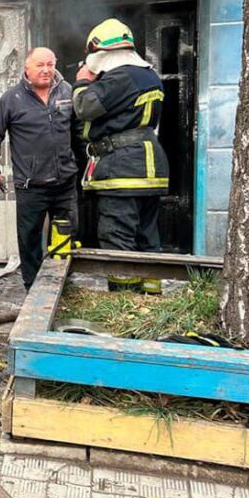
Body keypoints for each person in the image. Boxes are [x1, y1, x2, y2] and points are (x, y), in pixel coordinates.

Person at [72, 18, 169, 293]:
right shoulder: (149, 75)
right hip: (148, 166)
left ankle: (124, 302)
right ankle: (151, 299)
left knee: (117, 236)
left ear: (101, 53)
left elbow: (84, 107)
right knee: (146, 236)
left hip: (125, 167)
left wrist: (81, 82)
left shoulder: (120, 77)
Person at [0, 47, 77, 290]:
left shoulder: (67, 92)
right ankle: (32, 287)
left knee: (66, 235)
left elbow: (78, 132)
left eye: (50, 64)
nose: (46, 70)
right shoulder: (12, 98)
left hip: (65, 182)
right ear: (27, 69)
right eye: (40, 65)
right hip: (30, 185)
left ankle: (62, 283)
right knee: (30, 240)